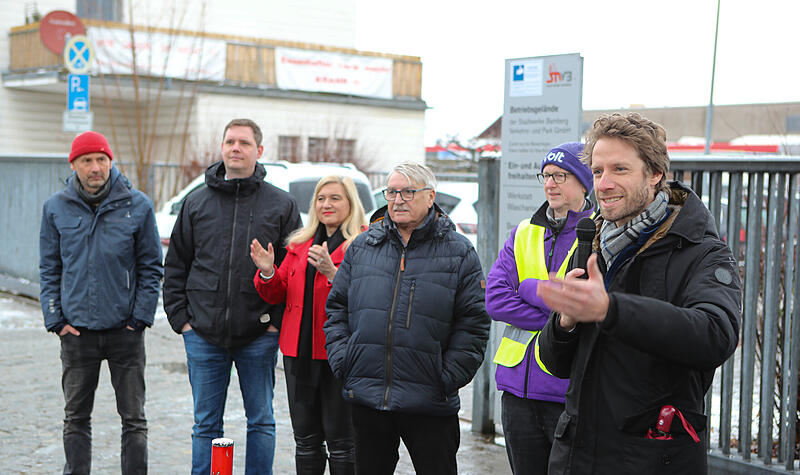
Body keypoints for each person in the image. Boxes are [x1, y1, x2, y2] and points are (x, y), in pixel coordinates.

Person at [536, 113, 742, 474]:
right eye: (598, 172)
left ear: (655, 174)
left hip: (651, 459)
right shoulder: (594, 240)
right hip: (575, 458)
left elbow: (715, 335)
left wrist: (610, 309)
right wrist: (565, 323)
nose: (604, 184)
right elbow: (555, 364)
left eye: (620, 169)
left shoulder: (702, 251)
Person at [323, 162, 490, 475]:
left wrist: (447, 376)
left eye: (408, 192)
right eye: (391, 192)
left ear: (430, 197)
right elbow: (337, 310)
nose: (398, 199)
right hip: (368, 396)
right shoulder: (363, 247)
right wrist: (345, 362)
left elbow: (475, 322)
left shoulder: (459, 252)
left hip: (430, 400)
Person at [162, 118, 301, 475]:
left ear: (259, 151)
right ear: (221, 147)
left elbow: (295, 272)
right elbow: (176, 264)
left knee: (261, 421)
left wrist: (276, 326)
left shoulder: (281, 206)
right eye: (230, 142)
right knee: (205, 425)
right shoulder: (196, 203)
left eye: (243, 142)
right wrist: (183, 322)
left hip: (259, 333)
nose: (235, 148)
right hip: (203, 335)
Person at [39, 131, 163, 474]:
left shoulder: (137, 206)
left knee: (134, 419)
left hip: (126, 332)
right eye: (87, 160)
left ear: (111, 161)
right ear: (74, 164)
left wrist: (139, 318)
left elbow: (152, 267)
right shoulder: (56, 208)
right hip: (77, 333)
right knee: (76, 417)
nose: (96, 167)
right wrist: (55, 319)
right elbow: (49, 268)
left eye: (102, 159)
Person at [485, 142, 595, 475]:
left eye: (560, 175)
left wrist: (528, 288)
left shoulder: (597, 233)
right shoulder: (523, 232)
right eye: (546, 176)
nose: (550, 184)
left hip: (566, 393)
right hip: (517, 390)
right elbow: (495, 299)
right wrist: (557, 314)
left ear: (584, 182)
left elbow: (586, 306)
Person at [250, 175, 367, 475]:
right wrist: (267, 273)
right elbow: (278, 293)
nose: (326, 204)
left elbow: (368, 296)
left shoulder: (365, 243)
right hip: (298, 354)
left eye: (335, 198)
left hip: (340, 355)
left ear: (351, 203)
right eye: (321, 198)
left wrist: (332, 272)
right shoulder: (299, 244)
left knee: (342, 440)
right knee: (306, 439)